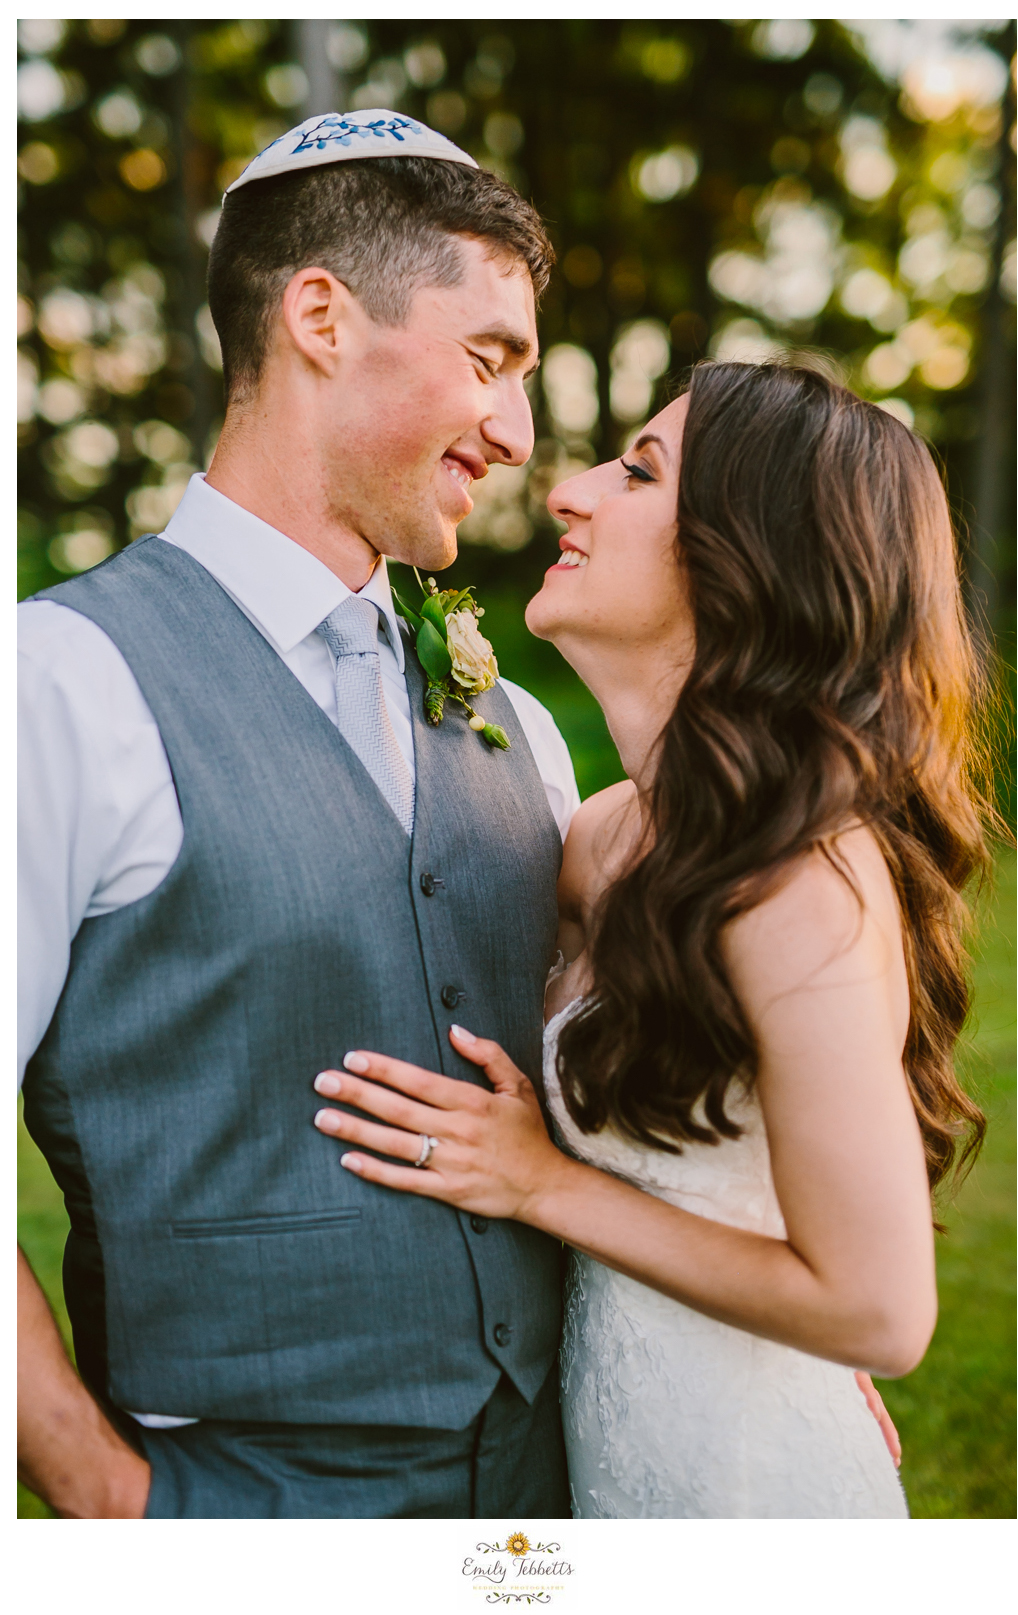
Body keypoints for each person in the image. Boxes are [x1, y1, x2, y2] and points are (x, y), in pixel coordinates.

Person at [305, 361, 991, 1518]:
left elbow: (880, 1310)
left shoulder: (798, 878)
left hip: (757, 1489)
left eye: (638, 472)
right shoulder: (599, 840)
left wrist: (537, 1183)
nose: (569, 490)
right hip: (609, 1464)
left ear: (751, 555)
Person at [17, 112, 580, 1519]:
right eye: (489, 358)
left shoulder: (513, 720)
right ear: (321, 313)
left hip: (548, 1511)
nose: (516, 431)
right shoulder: (59, 680)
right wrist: (101, 1493)